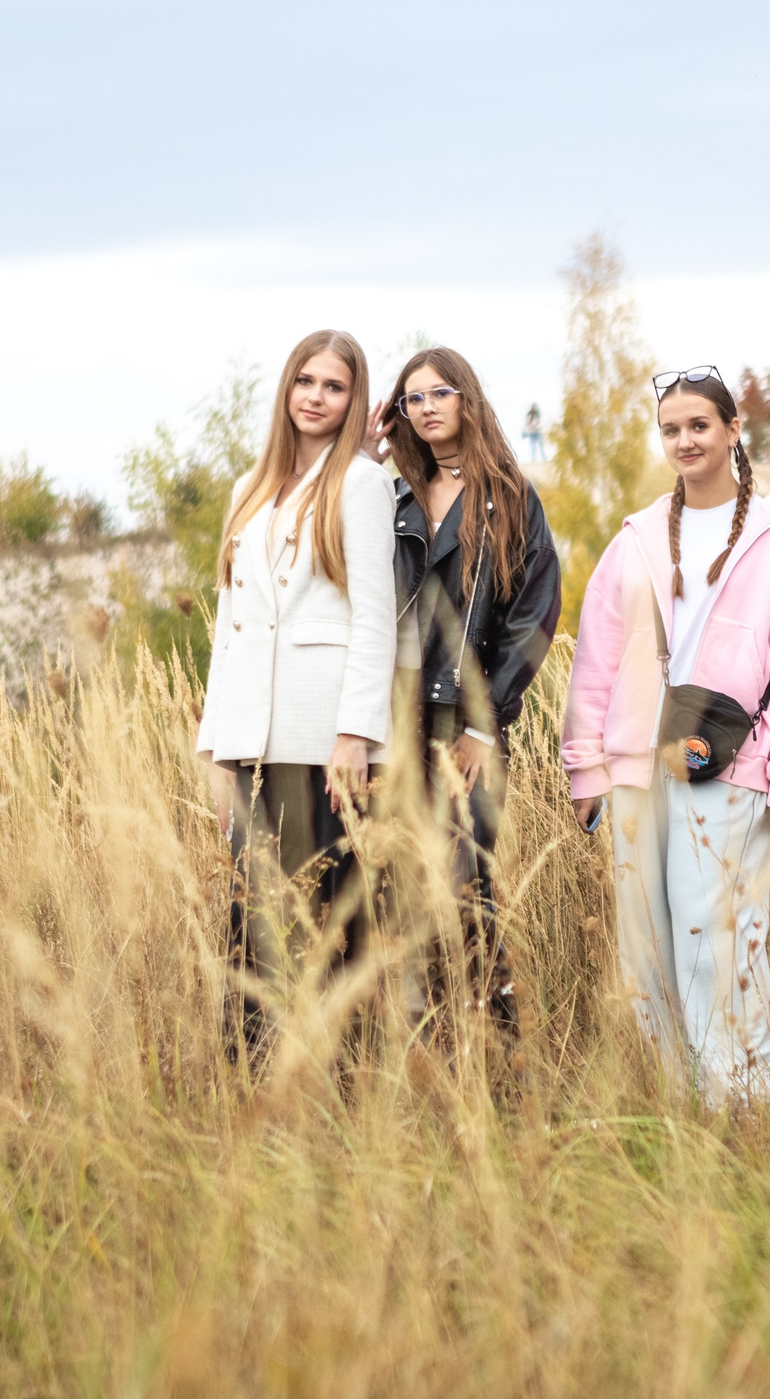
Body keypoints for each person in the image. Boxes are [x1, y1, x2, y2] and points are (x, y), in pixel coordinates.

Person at [559, 364, 770, 1102]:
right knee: (644, 942)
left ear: (732, 429)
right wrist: (586, 769)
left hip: (731, 763)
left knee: (715, 936)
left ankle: (746, 1096)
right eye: (671, 429)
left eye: (699, 426)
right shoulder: (638, 539)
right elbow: (597, 657)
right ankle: (673, 1099)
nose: (684, 440)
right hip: (636, 767)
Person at [195, 329, 397, 1054]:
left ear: (354, 400)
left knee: (329, 919)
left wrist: (356, 735)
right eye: (305, 381)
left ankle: (346, 1086)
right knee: (253, 920)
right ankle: (251, 1081)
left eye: (334, 386)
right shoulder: (248, 488)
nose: (316, 396)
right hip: (251, 739)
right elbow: (230, 626)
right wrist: (215, 747)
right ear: (287, 390)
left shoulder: (365, 484)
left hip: (322, 740)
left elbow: (376, 618)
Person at [372, 347, 561, 1034]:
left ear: (467, 401)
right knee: (392, 884)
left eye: (439, 392)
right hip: (390, 721)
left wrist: (486, 720)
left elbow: (534, 614)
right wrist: (365, 465)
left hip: (464, 724)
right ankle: (418, 1047)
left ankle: (497, 1044)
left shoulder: (509, 496)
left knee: (463, 883)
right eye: (411, 397)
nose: (425, 407)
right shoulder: (388, 498)